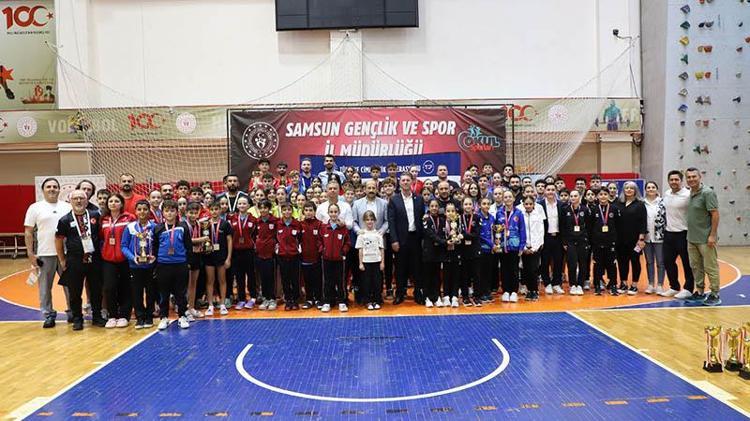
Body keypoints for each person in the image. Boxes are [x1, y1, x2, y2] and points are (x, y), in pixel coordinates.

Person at [24, 178, 73, 328]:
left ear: (59, 189)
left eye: (55, 186)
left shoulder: (67, 206)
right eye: (48, 186)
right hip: (45, 253)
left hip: (66, 253)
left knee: (70, 285)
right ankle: (48, 314)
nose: (52, 189)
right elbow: (28, 232)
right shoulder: (35, 207)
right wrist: (30, 253)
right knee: (45, 288)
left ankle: (73, 312)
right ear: (43, 190)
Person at [55, 190, 104, 331]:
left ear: (87, 200)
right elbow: (58, 240)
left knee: (96, 290)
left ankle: (97, 317)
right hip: (74, 260)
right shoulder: (64, 220)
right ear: (70, 201)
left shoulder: (95, 215)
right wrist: (62, 259)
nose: (78, 201)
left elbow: (101, 235)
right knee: (75, 291)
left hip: (94, 259)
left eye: (81, 198)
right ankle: (77, 318)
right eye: (75, 198)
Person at [152, 200, 192, 330]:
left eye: (172, 210)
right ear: (162, 213)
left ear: (177, 212)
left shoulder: (183, 227)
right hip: (163, 265)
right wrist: (156, 264)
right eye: (167, 211)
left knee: (181, 293)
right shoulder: (158, 228)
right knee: (163, 293)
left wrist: (188, 263)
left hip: (180, 264)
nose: (169, 213)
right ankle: (164, 317)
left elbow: (188, 246)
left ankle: (182, 316)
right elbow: (155, 247)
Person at [684, 167, 721, 306]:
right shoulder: (690, 192)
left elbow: (715, 214)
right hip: (692, 238)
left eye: (694, 176)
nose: (691, 179)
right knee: (696, 267)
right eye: (689, 177)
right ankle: (699, 292)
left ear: (700, 177)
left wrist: (712, 235)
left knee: (710, 267)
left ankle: (715, 294)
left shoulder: (707, 193)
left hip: (705, 238)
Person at [387, 173, 425, 304]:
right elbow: (391, 221)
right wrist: (394, 240)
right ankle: (400, 293)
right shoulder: (394, 200)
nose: (405, 182)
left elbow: (422, 219)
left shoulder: (419, 199)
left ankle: (418, 293)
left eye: (407, 180)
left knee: (417, 267)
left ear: (412, 182)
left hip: (416, 238)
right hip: (400, 239)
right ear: (400, 183)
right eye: (403, 180)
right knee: (400, 268)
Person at [100, 193, 135, 328]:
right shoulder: (104, 219)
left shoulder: (129, 218)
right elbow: (101, 238)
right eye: (111, 201)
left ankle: (124, 315)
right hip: (108, 259)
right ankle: (112, 316)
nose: (113, 203)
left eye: (116, 201)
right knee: (109, 287)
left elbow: (134, 236)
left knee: (125, 287)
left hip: (125, 258)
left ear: (121, 204)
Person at [121, 200, 157, 329]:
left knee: (151, 292)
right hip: (135, 266)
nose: (142, 212)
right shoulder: (130, 227)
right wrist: (133, 257)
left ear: (149, 211)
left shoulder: (155, 227)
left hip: (150, 266)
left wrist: (155, 257)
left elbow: (158, 245)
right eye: (139, 209)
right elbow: (124, 246)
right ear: (135, 211)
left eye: (145, 209)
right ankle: (140, 317)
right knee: (136, 292)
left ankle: (149, 315)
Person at [660, 170, 695, 299]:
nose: (674, 182)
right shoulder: (667, 193)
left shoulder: (688, 195)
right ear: (668, 181)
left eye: (676, 179)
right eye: (671, 180)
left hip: (683, 234)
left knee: (687, 263)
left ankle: (688, 289)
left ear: (681, 181)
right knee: (668, 261)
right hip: (669, 233)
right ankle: (674, 286)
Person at [615, 181, 647, 295]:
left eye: (631, 188)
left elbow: (643, 223)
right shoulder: (618, 203)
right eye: (626, 188)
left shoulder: (640, 204)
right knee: (622, 261)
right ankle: (623, 283)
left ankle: (634, 285)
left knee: (635, 261)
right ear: (623, 190)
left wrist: (641, 239)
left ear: (635, 190)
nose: (629, 190)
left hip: (634, 240)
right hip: (620, 239)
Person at [203, 200, 233, 316]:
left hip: (222, 256)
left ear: (220, 210)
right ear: (209, 211)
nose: (214, 212)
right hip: (209, 256)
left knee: (222, 280)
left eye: (216, 209)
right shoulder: (205, 224)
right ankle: (210, 305)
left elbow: (229, 241)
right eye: (212, 209)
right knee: (210, 280)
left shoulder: (225, 224)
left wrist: (228, 258)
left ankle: (222, 304)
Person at [495, 190, 526, 303]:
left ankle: (513, 291)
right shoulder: (499, 213)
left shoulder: (519, 213)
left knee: (514, 269)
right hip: (503, 246)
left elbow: (522, 229)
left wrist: (522, 246)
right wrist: (497, 243)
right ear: (503, 199)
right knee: (504, 269)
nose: (508, 199)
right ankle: (506, 291)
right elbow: (496, 230)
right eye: (505, 197)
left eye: (510, 197)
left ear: (513, 199)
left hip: (515, 245)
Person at [321, 203, 351, 312]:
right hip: (326, 259)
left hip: (339, 260)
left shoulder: (343, 228)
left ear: (339, 213)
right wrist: (323, 250)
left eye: (335, 212)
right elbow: (319, 241)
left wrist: (343, 252)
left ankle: (342, 301)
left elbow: (347, 242)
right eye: (331, 212)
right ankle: (327, 302)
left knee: (341, 281)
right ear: (328, 213)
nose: (333, 214)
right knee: (327, 281)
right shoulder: (323, 228)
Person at [591, 189, 621, 295]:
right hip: (597, 243)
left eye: (605, 194)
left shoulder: (614, 209)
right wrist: (592, 241)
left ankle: (613, 285)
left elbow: (618, 226)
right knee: (597, 264)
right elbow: (590, 226)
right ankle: (597, 285)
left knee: (612, 264)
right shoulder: (594, 209)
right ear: (597, 197)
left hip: (611, 242)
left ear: (608, 196)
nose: (603, 196)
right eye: (601, 194)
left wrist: (616, 241)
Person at [560, 190, 591, 295]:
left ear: (580, 197)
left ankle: (580, 285)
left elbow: (589, 226)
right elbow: (562, 226)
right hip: (570, 241)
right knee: (572, 264)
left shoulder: (585, 209)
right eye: (571, 196)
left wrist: (588, 240)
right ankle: (573, 285)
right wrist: (564, 242)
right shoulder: (565, 210)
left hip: (582, 241)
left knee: (583, 264)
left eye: (575, 196)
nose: (573, 198)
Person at [230, 197, 256, 310]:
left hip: (249, 250)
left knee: (251, 275)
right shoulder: (232, 219)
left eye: (244, 203)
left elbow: (256, 235)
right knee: (239, 276)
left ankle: (253, 297)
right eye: (240, 203)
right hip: (237, 251)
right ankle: (241, 299)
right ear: (237, 206)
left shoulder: (253, 219)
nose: (242, 205)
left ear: (248, 206)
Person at [356, 210, 385, 310]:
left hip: (376, 261)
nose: (370, 221)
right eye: (367, 219)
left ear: (375, 221)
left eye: (372, 219)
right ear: (364, 221)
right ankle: (367, 301)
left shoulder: (378, 234)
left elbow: (381, 249)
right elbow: (360, 250)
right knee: (366, 282)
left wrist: (382, 262)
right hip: (366, 262)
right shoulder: (361, 235)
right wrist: (360, 263)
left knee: (377, 282)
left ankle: (377, 300)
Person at [422, 199, 448, 308]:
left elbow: (444, 233)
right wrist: (444, 242)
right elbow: (430, 234)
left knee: (437, 276)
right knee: (427, 275)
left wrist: (447, 240)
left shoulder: (442, 220)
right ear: (429, 207)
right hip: (429, 251)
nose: (434, 208)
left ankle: (436, 297)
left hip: (438, 252)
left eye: (436, 206)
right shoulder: (426, 220)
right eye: (432, 206)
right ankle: (427, 297)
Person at [276, 203, 302, 310]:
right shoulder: (278, 224)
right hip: (282, 256)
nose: (287, 212)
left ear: (292, 211)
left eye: (289, 210)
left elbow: (300, 238)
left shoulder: (297, 224)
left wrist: (297, 249)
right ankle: (288, 300)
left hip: (294, 256)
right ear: (281, 211)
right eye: (284, 210)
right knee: (285, 279)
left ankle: (295, 300)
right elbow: (275, 239)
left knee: (295, 279)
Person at [540, 183, 565, 295]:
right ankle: (547, 284)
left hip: (558, 237)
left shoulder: (561, 205)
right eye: (548, 189)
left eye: (552, 189)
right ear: (545, 191)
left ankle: (556, 283)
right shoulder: (539, 205)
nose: (550, 191)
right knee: (545, 261)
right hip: (545, 237)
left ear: (556, 191)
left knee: (558, 261)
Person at [183, 202, 207, 319]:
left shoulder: (200, 224)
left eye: (195, 213)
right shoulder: (183, 225)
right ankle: (184, 309)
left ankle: (191, 307)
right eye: (191, 213)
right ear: (186, 213)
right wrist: (201, 239)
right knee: (185, 284)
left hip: (197, 255)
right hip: (186, 257)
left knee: (193, 283)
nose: (193, 215)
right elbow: (187, 241)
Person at [643, 182, 666, 295]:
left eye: (653, 187)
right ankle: (651, 284)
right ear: (645, 190)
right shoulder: (642, 203)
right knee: (649, 262)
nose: (651, 189)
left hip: (660, 237)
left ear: (657, 189)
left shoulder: (663, 202)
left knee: (660, 262)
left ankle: (660, 285)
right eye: (648, 187)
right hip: (646, 237)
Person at [254, 201, 278, 310]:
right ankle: (265, 298)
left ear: (269, 209)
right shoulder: (257, 221)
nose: (263, 210)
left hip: (271, 254)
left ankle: (272, 298)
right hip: (260, 254)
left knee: (271, 277)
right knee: (263, 277)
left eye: (265, 208)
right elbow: (254, 236)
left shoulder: (275, 221)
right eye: (261, 208)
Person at [300, 202, 323, 309]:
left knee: (317, 279)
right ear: (303, 212)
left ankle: (318, 299)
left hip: (317, 258)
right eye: (306, 210)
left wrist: (320, 251)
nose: (308, 212)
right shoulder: (300, 224)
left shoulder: (319, 224)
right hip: (304, 257)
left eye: (311, 210)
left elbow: (322, 240)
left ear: (314, 211)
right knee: (307, 279)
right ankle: (309, 299)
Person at [520, 196, 545, 301]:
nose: (528, 206)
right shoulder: (521, 216)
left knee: (533, 270)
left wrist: (534, 248)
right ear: (523, 205)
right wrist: (524, 247)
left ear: (534, 204)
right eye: (526, 204)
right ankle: (529, 290)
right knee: (526, 270)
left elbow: (540, 233)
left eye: (530, 204)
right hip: (524, 248)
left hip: (535, 248)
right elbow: (520, 232)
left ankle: (534, 290)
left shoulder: (538, 216)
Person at [459, 197, 481, 306]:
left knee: (476, 274)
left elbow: (476, 234)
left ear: (473, 206)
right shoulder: (458, 218)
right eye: (466, 204)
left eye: (469, 204)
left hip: (474, 249)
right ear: (462, 206)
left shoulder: (477, 217)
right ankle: (465, 297)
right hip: (463, 250)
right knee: (464, 275)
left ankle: (477, 296)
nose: (468, 206)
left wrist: (464, 236)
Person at [476, 197, 495, 304]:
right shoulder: (477, 217)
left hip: (490, 250)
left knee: (488, 271)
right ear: (479, 205)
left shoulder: (492, 217)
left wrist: (495, 244)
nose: (486, 206)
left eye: (488, 204)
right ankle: (480, 293)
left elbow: (494, 232)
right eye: (484, 204)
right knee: (480, 272)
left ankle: (487, 292)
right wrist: (491, 243)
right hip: (481, 248)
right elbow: (479, 234)